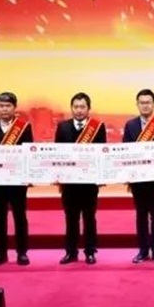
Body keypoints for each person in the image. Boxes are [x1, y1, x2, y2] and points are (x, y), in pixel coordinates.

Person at [0, 92, 33, 266]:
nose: (4, 109)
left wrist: (29, 175)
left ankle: (22, 253)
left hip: (17, 181)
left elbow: (29, 154)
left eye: (8, 106)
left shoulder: (24, 128)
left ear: (14, 107)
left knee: (20, 217)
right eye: (1, 106)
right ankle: (0, 254)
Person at [122, 88, 154, 264]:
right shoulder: (130, 125)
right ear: (137, 105)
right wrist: (127, 175)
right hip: (138, 179)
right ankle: (143, 251)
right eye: (142, 103)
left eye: (148, 102)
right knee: (141, 215)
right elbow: (125, 151)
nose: (145, 106)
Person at [55, 92, 106, 265]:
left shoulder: (97, 127)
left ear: (88, 108)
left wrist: (101, 176)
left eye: (82, 107)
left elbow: (102, 155)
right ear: (71, 108)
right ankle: (71, 252)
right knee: (71, 219)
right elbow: (57, 154)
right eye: (76, 107)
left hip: (89, 183)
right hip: (69, 183)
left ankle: (90, 252)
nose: (79, 110)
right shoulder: (62, 127)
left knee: (89, 218)